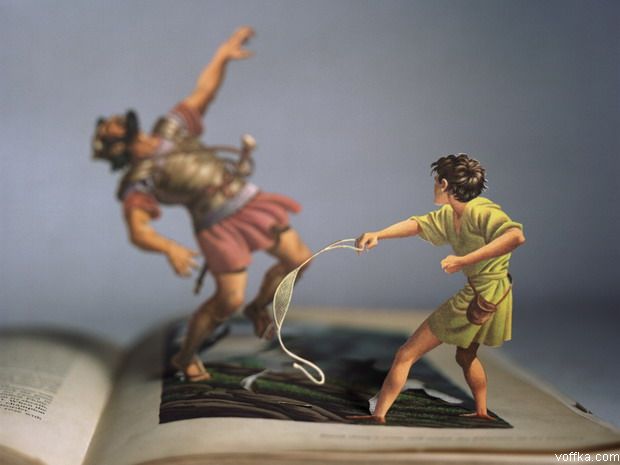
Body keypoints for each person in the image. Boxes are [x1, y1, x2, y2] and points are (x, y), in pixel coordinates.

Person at [91, 27, 312, 381]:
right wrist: (170, 248)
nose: (113, 124)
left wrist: (222, 56)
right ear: (116, 149)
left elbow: (204, 91)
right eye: (108, 131)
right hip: (217, 226)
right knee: (228, 301)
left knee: (299, 259)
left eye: (112, 124)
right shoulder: (140, 179)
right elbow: (137, 230)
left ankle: (260, 306)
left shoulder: (171, 128)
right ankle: (185, 356)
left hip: (247, 200)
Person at [353, 154, 525, 422]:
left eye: (436, 182)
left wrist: (464, 260)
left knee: (406, 354)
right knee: (465, 356)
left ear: (444, 184)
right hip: (495, 296)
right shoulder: (451, 215)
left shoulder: (480, 211)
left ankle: (379, 416)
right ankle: (481, 412)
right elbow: (418, 225)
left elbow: (515, 236)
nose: (434, 187)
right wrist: (379, 234)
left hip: (481, 295)